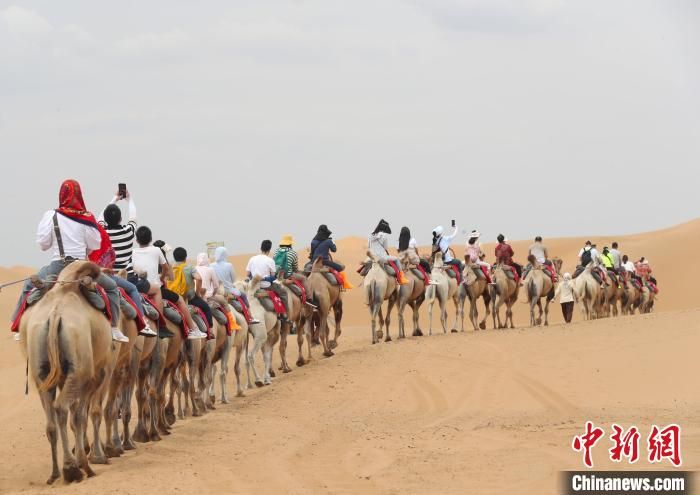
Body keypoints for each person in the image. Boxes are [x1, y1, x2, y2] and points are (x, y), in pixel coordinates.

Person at [12, 179, 128, 342]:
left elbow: (43, 245)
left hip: (56, 266)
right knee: (112, 288)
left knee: (28, 286)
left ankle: (17, 327)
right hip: (81, 267)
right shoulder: (87, 218)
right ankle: (114, 327)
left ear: (61, 195)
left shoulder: (50, 215)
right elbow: (95, 244)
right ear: (80, 195)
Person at [99, 187, 156, 337]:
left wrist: (114, 199)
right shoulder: (129, 232)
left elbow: (100, 217)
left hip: (104, 277)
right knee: (133, 289)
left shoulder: (102, 232)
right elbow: (133, 217)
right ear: (120, 219)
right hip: (125, 277)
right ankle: (143, 322)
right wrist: (129, 199)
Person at [132, 226, 206, 339]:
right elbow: (168, 273)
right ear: (150, 238)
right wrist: (161, 277)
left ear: (136, 240)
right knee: (180, 300)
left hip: (137, 286)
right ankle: (192, 329)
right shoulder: (156, 251)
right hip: (155, 288)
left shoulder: (133, 252)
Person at [210, 246, 260, 324]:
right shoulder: (229, 265)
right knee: (243, 295)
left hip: (215, 291)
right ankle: (250, 317)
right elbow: (233, 279)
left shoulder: (211, 265)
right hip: (228, 290)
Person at [194, 253, 240, 335]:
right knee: (224, 301)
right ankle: (232, 323)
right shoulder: (210, 269)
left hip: (195, 296)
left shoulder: (193, 269)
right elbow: (216, 286)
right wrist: (213, 294)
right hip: (208, 296)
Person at [247, 240, 289, 320]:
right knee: (283, 293)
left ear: (260, 248)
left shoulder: (252, 259)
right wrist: (264, 278)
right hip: (266, 286)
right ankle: (284, 314)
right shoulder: (270, 260)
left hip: (253, 286)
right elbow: (273, 277)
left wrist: (254, 279)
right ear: (269, 250)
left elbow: (248, 274)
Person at [273, 235, 317, 308]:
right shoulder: (293, 253)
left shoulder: (276, 251)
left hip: (276, 275)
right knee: (303, 278)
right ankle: (309, 299)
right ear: (290, 244)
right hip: (288, 275)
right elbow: (295, 268)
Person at [310, 225, 353, 289]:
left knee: (306, 270)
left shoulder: (313, 241)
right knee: (340, 268)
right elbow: (334, 250)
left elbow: (312, 252)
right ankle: (343, 285)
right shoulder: (328, 241)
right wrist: (333, 242)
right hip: (324, 262)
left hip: (314, 262)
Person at [368, 219, 409, 285]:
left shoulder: (371, 234)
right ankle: (401, 277)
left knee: (365, 267)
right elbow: (386, 248)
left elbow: (369, 246)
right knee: (396, 259)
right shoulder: (384, 236)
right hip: (382, 257)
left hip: (372, 257)